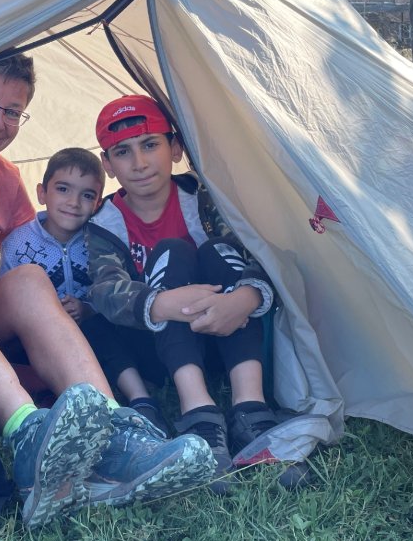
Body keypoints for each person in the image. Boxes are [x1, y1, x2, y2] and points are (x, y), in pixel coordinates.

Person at [0, 59, 214, 527]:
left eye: (12, 111)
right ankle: (26, 433)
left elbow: (31, 259)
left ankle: (111, 428)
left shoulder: (5, 179)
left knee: (32, 277)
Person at [85, 94, 283, 488]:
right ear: (108, 165)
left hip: (222, 335)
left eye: (150, 145)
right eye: (123, 152)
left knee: (213, 251)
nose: (139, 163)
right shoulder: (105, 222)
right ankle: (199, 412)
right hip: (160, 351)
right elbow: (106, 289)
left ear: (175, 148)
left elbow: (260, 250)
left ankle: (249, 407)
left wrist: (244, 298)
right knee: (171, 254)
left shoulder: (204, 197)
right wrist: (159, 303)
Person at [0, 148, 170, 435]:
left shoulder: (99, 238)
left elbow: (115, 288)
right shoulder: (19, 242)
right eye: (63, 189)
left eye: (87, 195)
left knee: (100, 330)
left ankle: (140, 400)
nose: (74, 203)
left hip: (95, 328)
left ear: (97, 203)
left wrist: (88, 308)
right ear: (42, 193)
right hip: (38, 337)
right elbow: (10, 298)